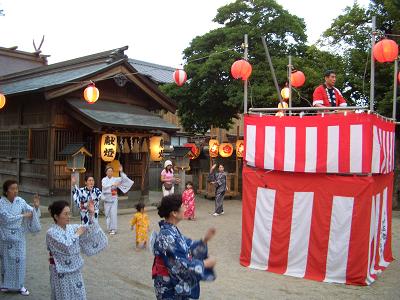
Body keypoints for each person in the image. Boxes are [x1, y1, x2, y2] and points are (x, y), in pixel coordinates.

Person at [152, 194, 216, 300]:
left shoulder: (171, 231)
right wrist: (204, 263)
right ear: (174, 213)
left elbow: (187, 246)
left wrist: (204, 240)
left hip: (171, 282)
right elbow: (178, 266)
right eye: (182, 206)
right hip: (169, 286)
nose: (185, 208)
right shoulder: (166, 236)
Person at [46, 200, 108, 300]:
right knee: (64, 295)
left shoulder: (72, 228)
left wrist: (91, 214)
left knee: (79, 294)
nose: (68, 216)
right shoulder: (51, 233)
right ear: (56, 216)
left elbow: (88, 229)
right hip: (60, 270)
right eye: (65, 214)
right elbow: (66, 246)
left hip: (75, 268)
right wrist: (77, 234)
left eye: (69, 213)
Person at [0, 180, 41, 296]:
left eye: (16, 188)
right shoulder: (1, 203)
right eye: (12, 189)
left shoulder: (20, 201)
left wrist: (36, 207)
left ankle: (20, 285)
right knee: (6, 261)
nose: (15, 191)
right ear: (6, 191)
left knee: (20, 259)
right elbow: (5, 218)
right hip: (5, 236)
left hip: (19, 235)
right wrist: (23, 216)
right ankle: (5, 284)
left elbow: (31, 212)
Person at [101, 165, 133, 235]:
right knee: (107, 214)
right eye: (108, 171)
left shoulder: (115, 179)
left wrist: (121, 171)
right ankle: (109, 228)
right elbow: (104, 187)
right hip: (106, 198)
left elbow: (124, 179)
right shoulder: (103, 179)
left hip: (114, 197)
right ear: (106, 172)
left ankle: (113, 229)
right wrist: (113, 184)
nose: (110, 172)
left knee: (113, 213)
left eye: (111, 171)